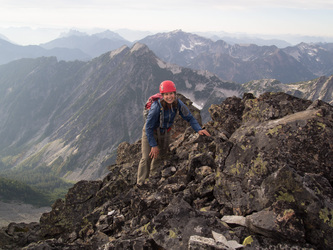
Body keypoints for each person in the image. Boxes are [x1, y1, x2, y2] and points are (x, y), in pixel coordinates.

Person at [137, 80, 211, 186]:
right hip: (151, 132)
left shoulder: (177, 103)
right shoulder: (156, 107)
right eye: (166, 94)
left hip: (165, 132)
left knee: (161, 155)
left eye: (171, 93)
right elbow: (148, 127)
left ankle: (153, 177)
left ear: (175, 93)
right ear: (162, 95)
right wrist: (153, 145)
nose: (169, 96)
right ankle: (140, 183)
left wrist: (199, 129)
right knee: (146, 157)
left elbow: (189, 117)